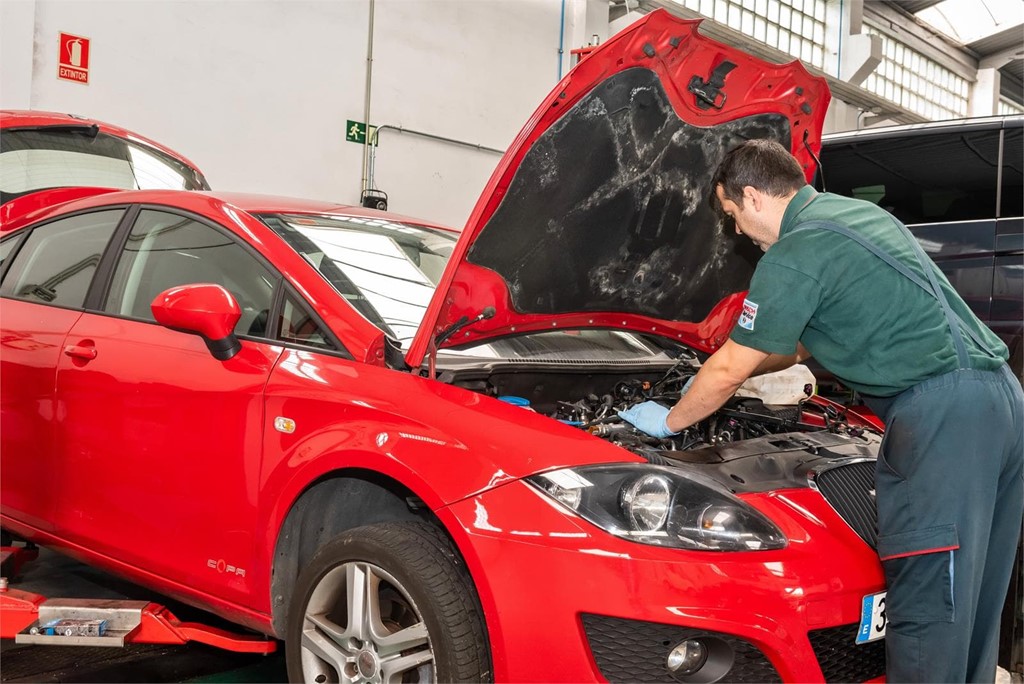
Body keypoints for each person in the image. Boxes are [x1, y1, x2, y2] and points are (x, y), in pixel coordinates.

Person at [619, 138, 1024, 683]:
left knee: (930, 601)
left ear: (755, 197)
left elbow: (729, 369)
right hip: (999, 402)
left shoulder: (796, 251)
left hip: (942, 416)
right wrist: (734, 366)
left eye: (734, 216)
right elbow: (803, 343)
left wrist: (670, 419)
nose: (737, 232)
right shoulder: (857, 216)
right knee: (970, 592)